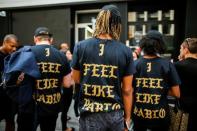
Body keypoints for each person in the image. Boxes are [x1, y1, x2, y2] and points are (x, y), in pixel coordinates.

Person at [71, 4, 135, 131]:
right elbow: (127, 90)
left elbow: (76, 79)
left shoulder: (80, 46)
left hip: (89, 113)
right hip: (114, 113)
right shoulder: (126, 51)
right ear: (117, 24)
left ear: (99, 21)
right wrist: (127, 118)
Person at [17, 27, 73, 131]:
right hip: (52, 104)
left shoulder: (25, 52)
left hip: (30, 106)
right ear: (51, 40)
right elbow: (67, 84)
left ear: (35, 39)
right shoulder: (62, 56)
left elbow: (15, 79)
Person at [132, 30, 181, 131]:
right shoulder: (167, 64)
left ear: (143, 44)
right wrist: (161, 89)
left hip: (139, 116)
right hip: (160, 117)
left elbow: (128, 90)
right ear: (160, 45)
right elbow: (177, 94)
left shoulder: (135, 64)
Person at [174, 38, 197, 131]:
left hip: (184, 111)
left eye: (181, 48)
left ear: (186, 49)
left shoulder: (177, 65)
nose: (180, 51)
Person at [0, 34, 18, 131]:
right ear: (4, 43)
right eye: (12, 46)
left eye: (16, 46)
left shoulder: (12, 57)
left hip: (9, 96)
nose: (14, 49)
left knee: (10, 121)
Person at [59, 42, 74, 131]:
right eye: (68, 53)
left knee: (65, 111)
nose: (70, 54)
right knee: (64, 111)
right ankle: (64, 128)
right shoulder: (67, 65)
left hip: (67, 90)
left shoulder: (68, 63)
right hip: (66, 90)